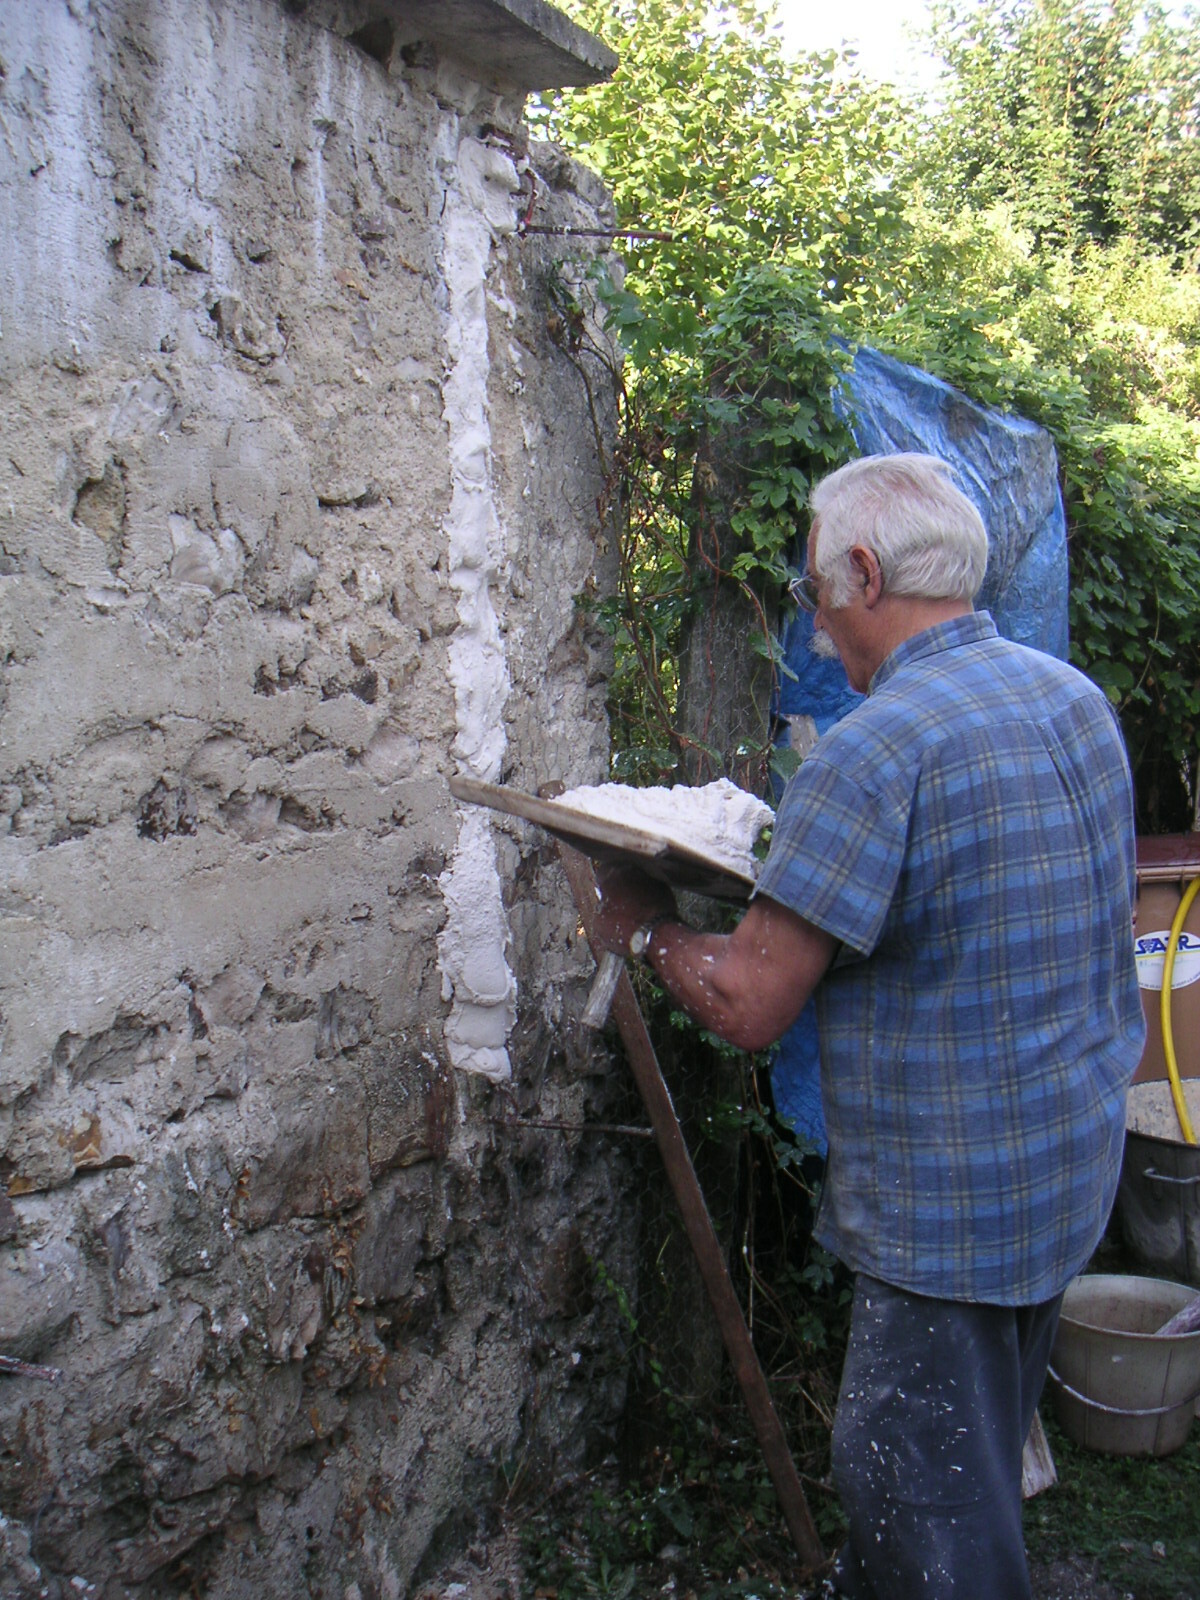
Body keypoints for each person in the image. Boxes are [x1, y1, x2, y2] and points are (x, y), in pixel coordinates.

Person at [593, 453, 1145, 1600]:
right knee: (973, 1466)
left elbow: (748, 1002)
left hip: (949, 1224)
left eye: (812, 592)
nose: (815, 621)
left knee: (922, 1507)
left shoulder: (874, 748)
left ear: (864, 571)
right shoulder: (1072, 700)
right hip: (1064, 1180)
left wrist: (645, 927)